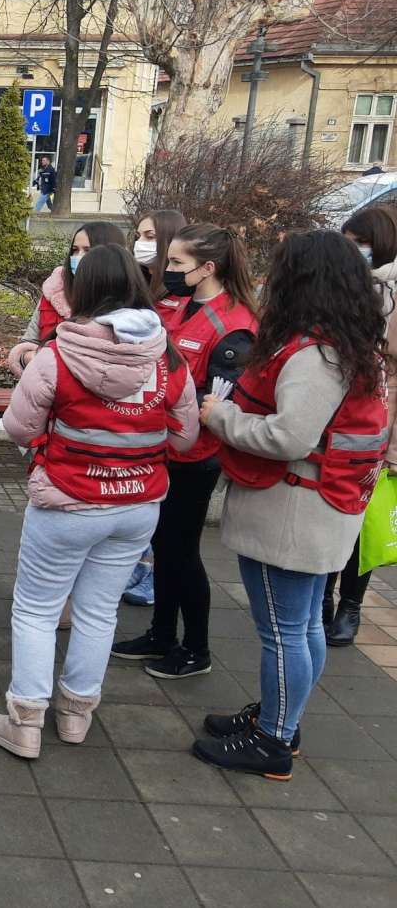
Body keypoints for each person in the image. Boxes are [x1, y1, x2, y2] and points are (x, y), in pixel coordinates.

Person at [0, 244, 199, 758]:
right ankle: (76, 717)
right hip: (138, 506)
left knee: (36, 610)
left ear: (83, 292)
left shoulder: (58, 355)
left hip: (67, 501)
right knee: (99, 612)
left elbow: (18, 427)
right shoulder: (169, 359)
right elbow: (186, 437)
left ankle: (26, 723)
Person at [195, 230, 390, 780]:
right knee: (302, 625)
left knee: (282, 629)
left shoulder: (314, 355)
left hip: (293, 510)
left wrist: (220, 416)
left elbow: (289, 437)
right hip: (316, 507)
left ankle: (274, 740)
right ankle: (283, 715)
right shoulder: (346, 344)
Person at [113, 225, 258, 680]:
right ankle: (160, 634)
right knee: (160, 545)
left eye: (176, 264)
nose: (168, 271)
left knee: (182, 550)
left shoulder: (234, 324)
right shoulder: (170, 306)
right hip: (157, 448)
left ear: (208, 268)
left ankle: (196, 648)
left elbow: (220, 398)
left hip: (195, 456)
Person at [324, 205, 397, 644]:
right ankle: (323, 599)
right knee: (336, 513)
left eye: (360, 244)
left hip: (381, 420)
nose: (354, 253)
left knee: (361, 522)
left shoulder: (390, 290)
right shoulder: (346, 287)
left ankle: (351, 604)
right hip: (341, 411)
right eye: (348, 244)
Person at [120, 209, 189, 607]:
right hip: (144, 421)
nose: (140, 242)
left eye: (149, 235)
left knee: (168, 519)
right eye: (138, 234)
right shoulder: (143, 288)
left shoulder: (179, 300)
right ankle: (139, 566)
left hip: (168, 423)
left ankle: (152, 575)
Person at [8, 222, 127, 377]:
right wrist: (29, 358)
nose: (78, 257)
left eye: (88, 251)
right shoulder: (53, 292)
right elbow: (28, 344)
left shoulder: (127, 303)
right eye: (75, 250)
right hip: (47, 388)